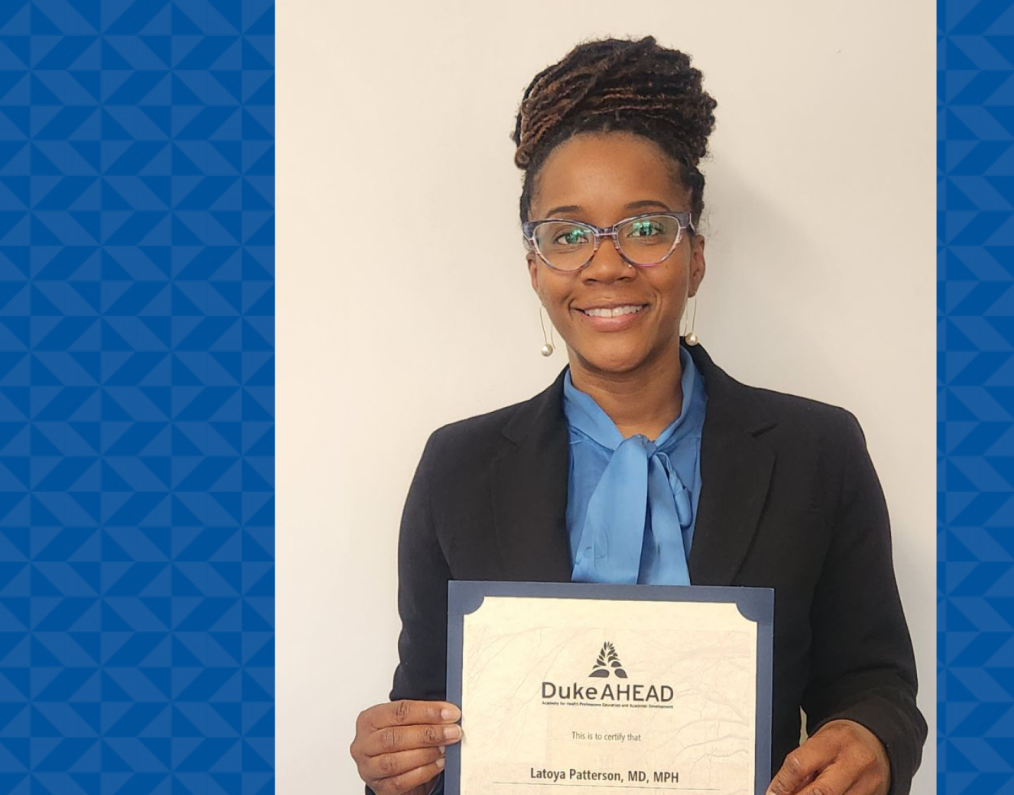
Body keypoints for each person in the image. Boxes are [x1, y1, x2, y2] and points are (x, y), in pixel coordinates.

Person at [350, 35, 926, 795]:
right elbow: (426, 707)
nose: (607, 262)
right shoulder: (457, 467)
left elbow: (875, 682)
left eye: (647, 227)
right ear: (534, 267)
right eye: (567, 235)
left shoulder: (817, 449)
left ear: (696, 253)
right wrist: (394, 759)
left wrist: (873, 738)